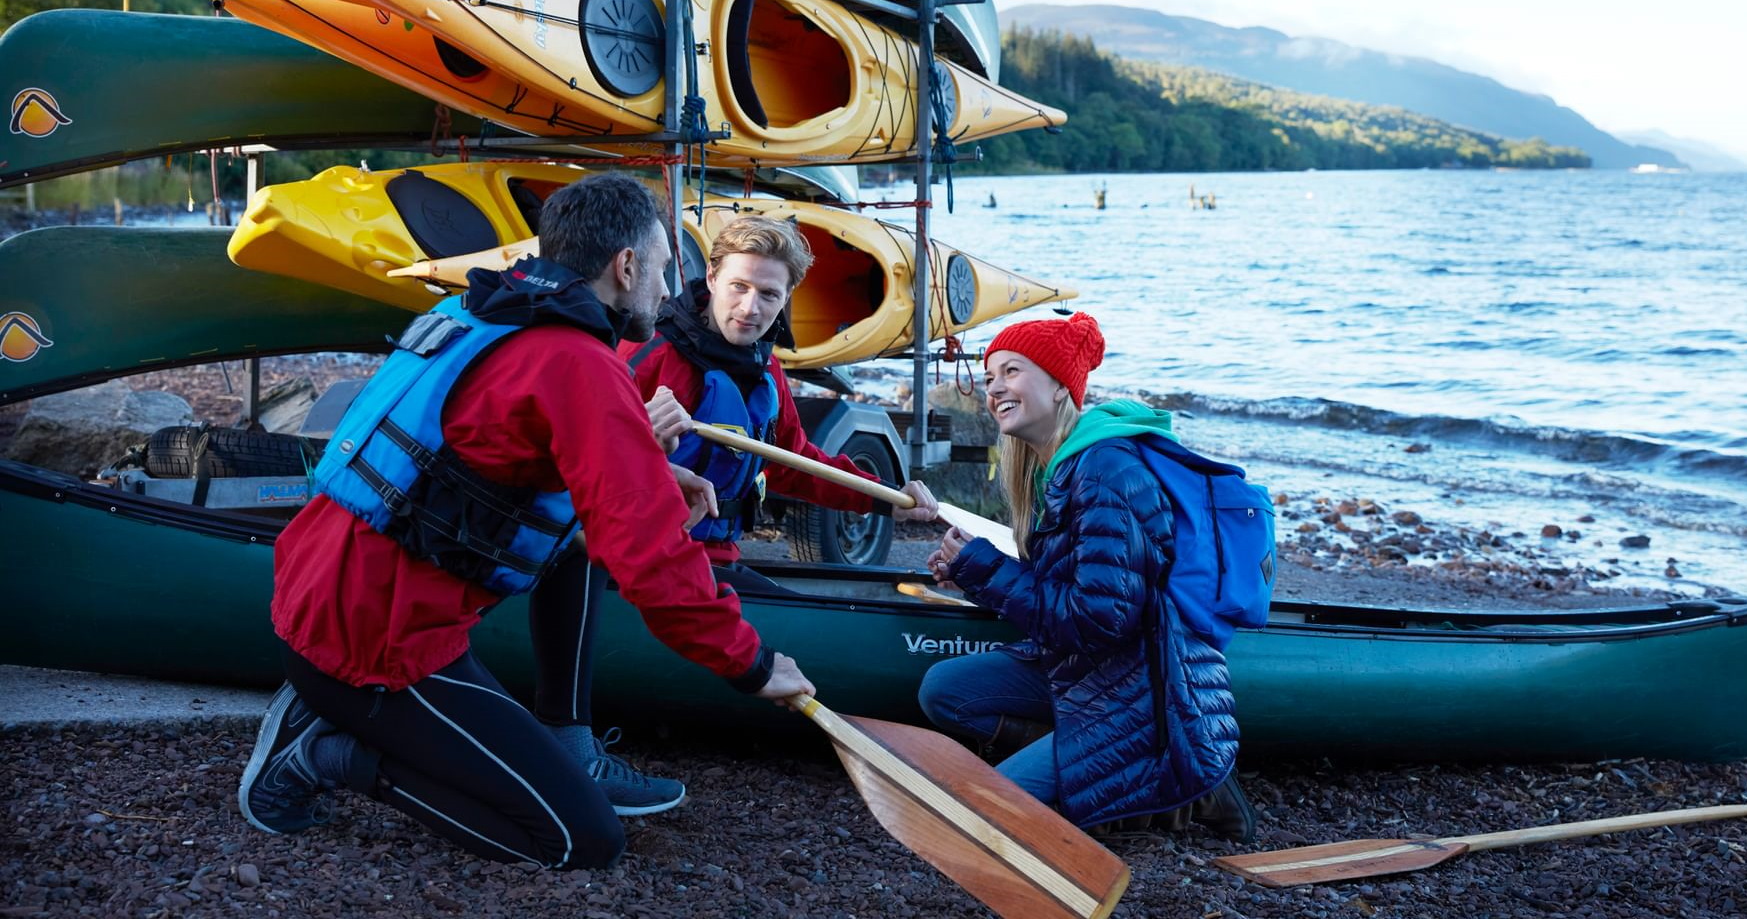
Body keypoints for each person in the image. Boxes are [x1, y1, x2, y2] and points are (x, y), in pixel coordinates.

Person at [237, 171, 815, 870]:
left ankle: (530, 732)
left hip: (330, 596)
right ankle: (326, 753)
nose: (668, 292)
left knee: (574, 551)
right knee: (579, 840)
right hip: (375, 643)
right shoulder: (579, 363)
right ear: (625, 265)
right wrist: (752, 665)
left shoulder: (489, 308)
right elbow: (653, 560)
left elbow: (484, 449)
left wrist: (654, 471)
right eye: (664, 269)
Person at [917, 312, 1257, 840]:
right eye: (989, 377)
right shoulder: (1055, 468)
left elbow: (1099, 619)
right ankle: (1077, 753)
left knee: (986, 814)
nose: (994, 388)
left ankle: (1186, 782)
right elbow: (1066, 589)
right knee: (945, 690)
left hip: (1145, 693)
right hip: (1087, 672)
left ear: (1059, 386)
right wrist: (972, 577)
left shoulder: (1105, 471)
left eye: (1012, 371)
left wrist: (986, 567)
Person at [618, 215, 938, 584]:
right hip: (644, 557)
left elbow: (793, 462)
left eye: (768, 294)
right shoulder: (649, 354)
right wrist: (640, 444)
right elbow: (585, 461)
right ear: (712, 277)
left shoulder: (765, 364)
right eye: (739, 286)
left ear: (787, 297)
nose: (749, 308)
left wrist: (887, 497)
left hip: (718, 557)